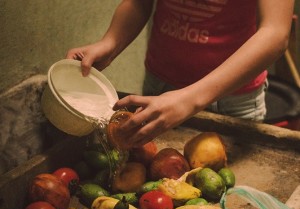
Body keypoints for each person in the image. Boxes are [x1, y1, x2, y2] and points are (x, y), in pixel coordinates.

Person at [66, 0, 294, 148]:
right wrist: (111, 42)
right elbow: (140, 3)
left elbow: (275, 33)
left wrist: (188, 100)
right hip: (159, 87)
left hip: (231, 100)